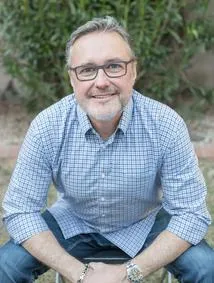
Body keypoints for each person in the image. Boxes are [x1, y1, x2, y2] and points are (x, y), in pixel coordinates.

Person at [0, 16, 214, 283]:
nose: (101, 82)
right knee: (5, 266)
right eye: (87, 70)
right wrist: (79, 273)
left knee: (207, 267)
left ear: (133, 71)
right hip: (73, 222)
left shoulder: (166, 125)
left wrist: (129, 272)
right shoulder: (47, 126)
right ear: (72, 78)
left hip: (146, 223)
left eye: (114, 66)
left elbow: (191, 214)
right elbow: (20, 211)